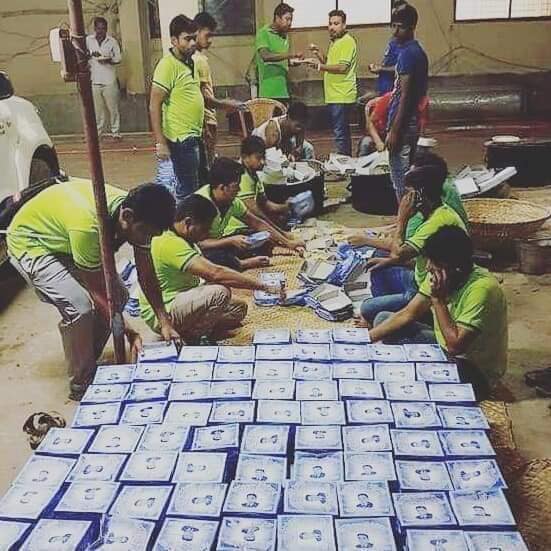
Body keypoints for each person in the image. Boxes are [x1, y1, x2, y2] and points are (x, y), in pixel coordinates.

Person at [6, 178, 177, 400]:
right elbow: (98, 293)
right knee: (79, 307)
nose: (146, 239)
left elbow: (146, 275)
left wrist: (164, 321)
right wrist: (130, 332)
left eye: (151, 235)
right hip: (32, 242)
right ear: (127, 216)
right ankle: (81, 383)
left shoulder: (138, 215)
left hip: (63, 236)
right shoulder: (88, 226)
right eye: (144, 233)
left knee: (120, 295)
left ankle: (87, 356)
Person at [369, 226, 508, 398]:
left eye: (433, 264)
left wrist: (438, 300)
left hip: (472, 367)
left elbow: (455, 347)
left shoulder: (482, 290)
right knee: (383, 319)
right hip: (443, 344)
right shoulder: (440, 273)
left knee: (410, 380)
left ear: (454, 268)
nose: (428, 268)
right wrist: (364, 340)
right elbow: (408, 313)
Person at [139, 195, 283, 344]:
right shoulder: (169, 242)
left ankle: (187, 329)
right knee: (220, 293)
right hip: (163, 311)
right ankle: (195, 338)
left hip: (184, 297)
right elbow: (216, 273)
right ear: (188, 223)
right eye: (204, 229)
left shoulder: (185, 239)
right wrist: (263, 286)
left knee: (238, 309)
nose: (207, 235)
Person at [358, 164, 467, 325]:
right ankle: (391, 312)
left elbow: (398, 253)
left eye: (408, 192)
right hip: (419, 278)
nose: (404, 198)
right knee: (379, 262)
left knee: (367, 308)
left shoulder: (437, 223)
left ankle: (409, 316)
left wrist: (402, 218)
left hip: (430, 289)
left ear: (420, 195)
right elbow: (417, 259)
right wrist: (389, 261)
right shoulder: (434, 214)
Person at [195, 157, 304, 271]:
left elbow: (257, 223)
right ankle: (243, 263)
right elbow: (199, 244)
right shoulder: (201, 204)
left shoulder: (232, 202)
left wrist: (288, 243)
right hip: (201, 251)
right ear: (222, 187)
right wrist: (230, 240)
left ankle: (238, 259)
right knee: (215, 257)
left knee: (264, 238)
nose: (239, 189)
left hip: (220, 242)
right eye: (236, 186)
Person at [386, 4, 429, 200]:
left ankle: (405, 216)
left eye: (400, 27)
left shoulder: (408, 54)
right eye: (393, 25)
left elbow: (405, 96)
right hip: (411, 122)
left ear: (411, 27)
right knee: (409, 178)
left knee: (401, 183)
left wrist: (395, 131)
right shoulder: (417, 51)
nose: (395, 31)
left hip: (403, 123)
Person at [193, 12, 245, 168]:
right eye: (207, 35)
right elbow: (204, 99)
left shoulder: (195, 59)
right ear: (196, 31)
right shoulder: (198, 60)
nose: (210, 41)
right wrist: (227, 104)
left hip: (203, 121)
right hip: (205, 121)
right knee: (206, 167)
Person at [309, 10, 358, 156]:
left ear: (344, 25)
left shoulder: (347, 41)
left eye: (336, 24)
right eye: (330, 23)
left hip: (342, 94)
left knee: (340, 134)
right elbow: (329, 63)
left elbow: (342, 67)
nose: (332, 27)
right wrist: (318, 54)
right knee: (341, 132)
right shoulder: (335, 42)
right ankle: (346, 160)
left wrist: (319, 66)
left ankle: (343, 161)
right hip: (334, 94)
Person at [224, 136, 293, 235]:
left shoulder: (254, 175)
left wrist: (288, 206)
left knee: (282, 218)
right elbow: (257, 216)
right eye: (258, 158)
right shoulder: (241, 177)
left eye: (263, 158)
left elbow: (266, 204)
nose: (262, 162)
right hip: (237, 229)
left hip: (250, 225)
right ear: (245, 157)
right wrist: (281, 232)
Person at [255, 3, 303, 101]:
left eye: (291, 20)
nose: (289, 23)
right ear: (277, 18)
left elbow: (281, 60)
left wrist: (293, 62)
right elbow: (266, 56)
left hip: (284, 91)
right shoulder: (263, 33)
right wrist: (291, 55)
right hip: (269, 92)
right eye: (287, 19)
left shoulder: (284, 36)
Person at [86, 17, 122, 139]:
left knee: (113, 108)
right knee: (97, 111)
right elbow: (83, 55)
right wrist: (90, 54)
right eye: (98, 28)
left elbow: (118, 58)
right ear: (95, 28)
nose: (101, 31)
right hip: (94, 80)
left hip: (109, 80)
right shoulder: (88, 40)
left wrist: (109, 60)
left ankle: (115, 132)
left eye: (103, 28)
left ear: (106, 29)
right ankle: (97, 133)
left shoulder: (112, 41)